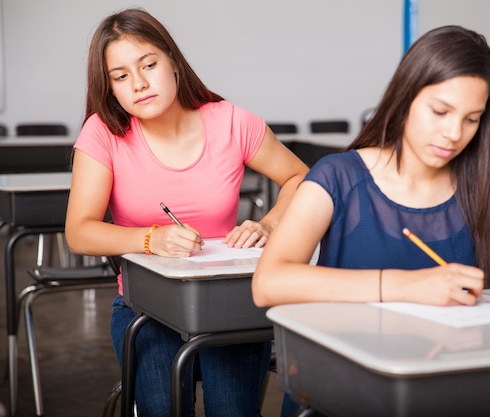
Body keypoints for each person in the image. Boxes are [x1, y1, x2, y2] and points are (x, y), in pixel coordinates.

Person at [253, 25, 490, 413]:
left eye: (471, 119)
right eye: (440, 112)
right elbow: (269, 283)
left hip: (450, 387)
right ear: (406, 98)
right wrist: (407, 286)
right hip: (343, 387)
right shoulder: (338, 177)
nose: (453, 133)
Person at [64, 8, 308, 417]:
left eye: (149, 65)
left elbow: (301, 179)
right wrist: (150, 238)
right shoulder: (103, 132)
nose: (139, 83)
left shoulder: (231, 122)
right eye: (121, 76)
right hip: (145, 305)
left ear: (173, 62)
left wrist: (270, 223)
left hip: (227, 299)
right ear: (110, 88)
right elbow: (80, 232)